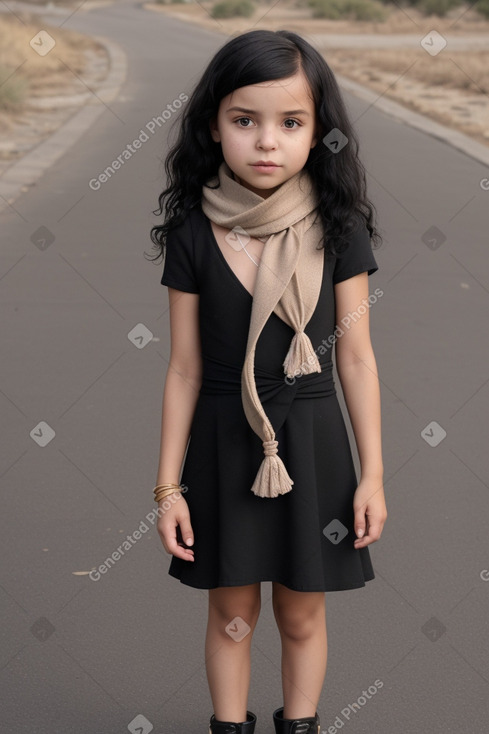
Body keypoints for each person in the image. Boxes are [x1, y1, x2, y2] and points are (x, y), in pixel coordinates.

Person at [148, 29, 387, 734]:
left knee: (302, 609)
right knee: (230, 612)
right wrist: (166, 489)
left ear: (318, 134)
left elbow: (356, 358)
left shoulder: (338, 227)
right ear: (213, 125)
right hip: (224, 442)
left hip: (311, 442)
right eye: (243, 120)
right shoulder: (193, 232)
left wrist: (372, 474)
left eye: (290, 123)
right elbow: (184, 368)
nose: (265, 142)